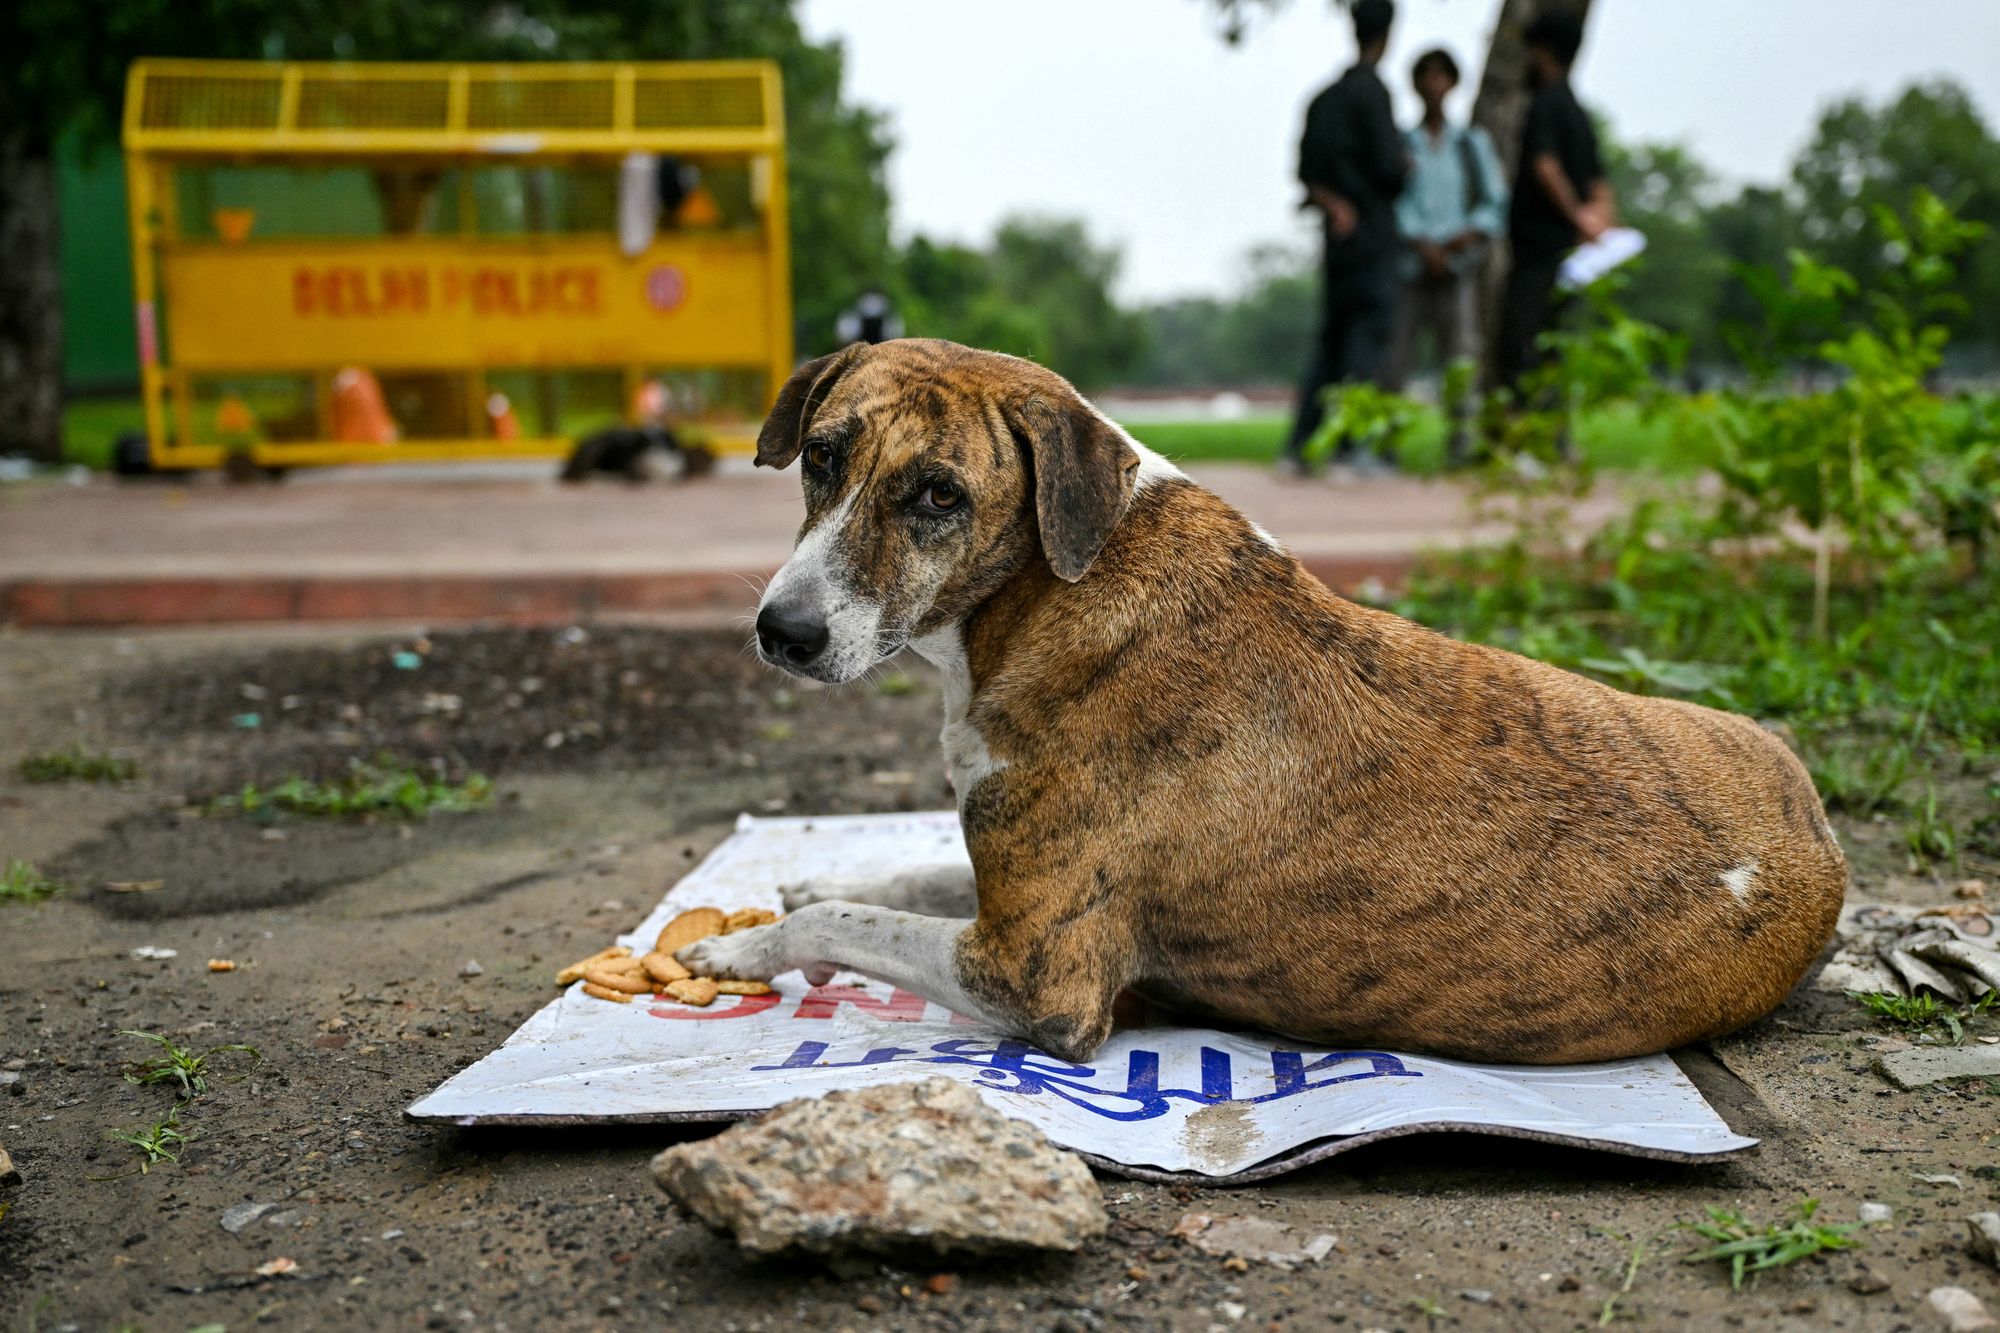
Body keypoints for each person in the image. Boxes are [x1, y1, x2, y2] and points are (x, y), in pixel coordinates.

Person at [1281, 0, 1407, 475]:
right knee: (1367, 341)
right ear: (1388, 34)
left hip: (1337, 241)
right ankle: (1353, 450)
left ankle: (1299, 448)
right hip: (1373, 237)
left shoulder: (1323, 98)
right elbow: (1389, 170)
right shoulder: (1373, 93)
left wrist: (1334, 205)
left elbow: (1305, 173)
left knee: (1332, 341)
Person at [1384, 47, 1507, 465]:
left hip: (1457, 267)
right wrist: (1422, 242)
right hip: (1411, 266)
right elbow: (1394, 201)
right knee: (1396, 361)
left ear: (1453, 84)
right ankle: (1387, 449)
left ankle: (1463, 448)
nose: (1434, 86)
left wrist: (1464, 237)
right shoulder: (1403, 143)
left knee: (1460, 361)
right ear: (1416, 85)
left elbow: (1494, 202)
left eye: (1442, 77)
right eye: (1426, 77)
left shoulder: (1471, 145)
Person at [1494, 10, 1613, 400]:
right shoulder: (1578, 112)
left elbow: (1545, 166)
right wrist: (1598, 224)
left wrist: (1576, 215)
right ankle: (1550, 430)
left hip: (1540, 245)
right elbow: (1599, 183)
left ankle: (1526, 425)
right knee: (1554, 339)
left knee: (1522, 336)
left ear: (1542, 53)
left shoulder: (1545, 104)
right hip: (1569, 248)